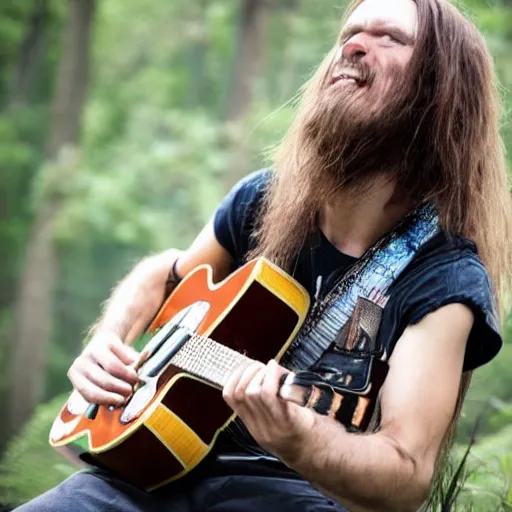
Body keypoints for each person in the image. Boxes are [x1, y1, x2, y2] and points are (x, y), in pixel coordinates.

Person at [16, 0, 512, 510]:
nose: (354, 45)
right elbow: (164, 277)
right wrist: (108, 340)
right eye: (350, 33)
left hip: (292, 495)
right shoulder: (262, 200)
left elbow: (406, 474)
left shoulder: (445, 278)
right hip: (144, 475)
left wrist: (299, 437)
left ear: (441, 91)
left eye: (390, 39)